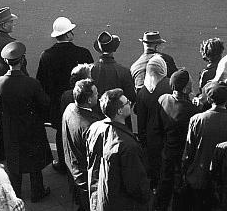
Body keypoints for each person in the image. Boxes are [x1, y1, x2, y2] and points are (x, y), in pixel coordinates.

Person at [0, 41, 52, 203]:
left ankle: (15, 193)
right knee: (34, 161)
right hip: (31, 126)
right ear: (23, 60)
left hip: (10, 127)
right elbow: (44, 102)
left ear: (6, 62)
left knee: (14, 161)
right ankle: (37, 192)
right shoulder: (31, 83)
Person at [36, 16, 93, 174]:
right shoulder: (83, 53)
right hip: (80, 102)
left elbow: (41, 82)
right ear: (68, 34)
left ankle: (62, 164)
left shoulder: (46, 55)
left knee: (61, 135)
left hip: (57, 104)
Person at [87, 88, 150, 211]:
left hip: (100, 198)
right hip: (122, 204)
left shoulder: (95, 128)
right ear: (120, 111)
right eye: (127, 102)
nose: (130, 103)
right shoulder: (127, 145)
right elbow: (135, 184)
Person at [182, 81, 227, 210]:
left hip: (199, 177)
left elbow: (188, 151)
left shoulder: (197, 119)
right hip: (222, 181)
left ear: (209, 98)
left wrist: (185, 170)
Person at [155, 69, 200, 211]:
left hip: (168, 149)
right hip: (183, 153)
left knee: (165, 181)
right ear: (186, 88)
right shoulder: (193, 110)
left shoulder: (163, 99)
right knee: (180, 186)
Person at [62, 79, 103, 211]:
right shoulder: (90, 125)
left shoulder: (70, 109)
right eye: (96, 94)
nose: (99, 95)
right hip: (86, 177)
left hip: (74, 169)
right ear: (89, 100)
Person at [135, 55, 171, 189]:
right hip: (168, 133)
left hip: (151, 137)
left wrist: (143, 140)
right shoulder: (169, 85)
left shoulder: (143, 92)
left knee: (155, 167)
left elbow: (141, 121)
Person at [90, 32, 137, 104]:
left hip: (95, 113)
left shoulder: (90, 70)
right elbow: (131, 97)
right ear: (114, 49)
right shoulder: (124, 71)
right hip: (117, 113)